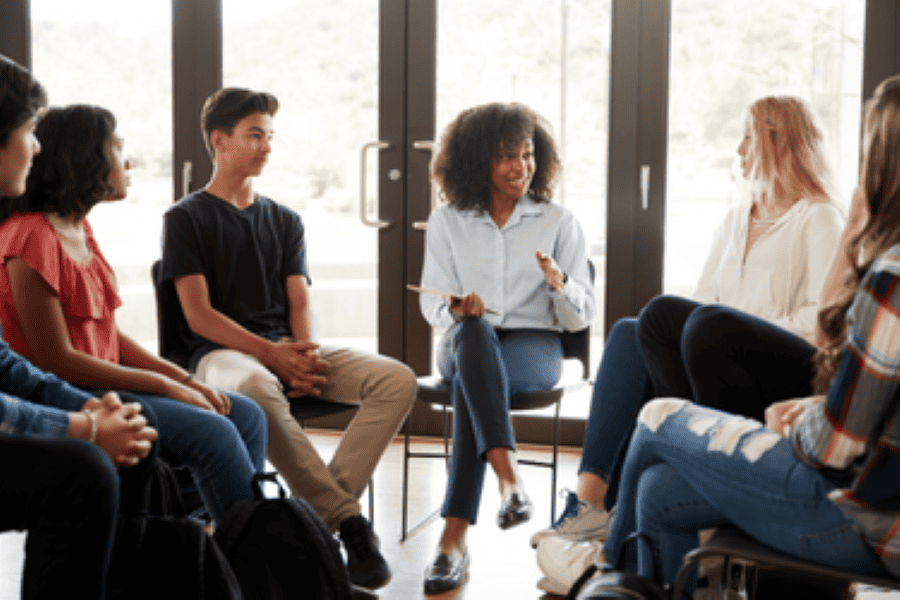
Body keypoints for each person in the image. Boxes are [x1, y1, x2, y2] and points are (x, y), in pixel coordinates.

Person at [598, 73, 900, 593]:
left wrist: (798, 421)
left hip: (870, 521)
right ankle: (623, 566)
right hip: (870, 486)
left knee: (657, 416)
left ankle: (603, 573)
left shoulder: (889, 277)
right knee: (657, 486)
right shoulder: (739, 219)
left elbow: (832, 446)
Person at [530, 95, 844, 563]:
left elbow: (821, 322)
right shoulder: (737, 219)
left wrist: (737, 329)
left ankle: (678, 456)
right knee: (629, 332)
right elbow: (700, 302)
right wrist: (713, 327)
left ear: (779, 144)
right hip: (711, 359)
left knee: (697, 323)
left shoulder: (818, 216)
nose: (738, 151)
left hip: (776, 372)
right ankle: (591, 503)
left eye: (747, 137)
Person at [159, 87, 417, 591]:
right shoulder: (185, 219)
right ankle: (348, 524)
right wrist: (273, 356)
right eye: (254, 135)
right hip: (221, 355)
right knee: (255, 389)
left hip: (283, 347)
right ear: (219, 140)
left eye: (270, 136)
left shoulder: (285, 220)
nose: (266, 146)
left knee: (396, 379)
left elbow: (300, 301)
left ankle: (312, 524)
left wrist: (307, 356)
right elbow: (199, 316)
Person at [0, 103, 268, 525]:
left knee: (246, 413)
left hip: (106, 382)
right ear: (84, 158)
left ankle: (215, 542)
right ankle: (251, 567)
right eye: (118, 146)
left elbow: (110, 336)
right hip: (72, 393)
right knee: (213, 432)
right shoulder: (30, 236)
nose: (130, 160)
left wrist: (183, 379)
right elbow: (57, 361)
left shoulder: (78, 227)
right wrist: (165, 384)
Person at [417, 102, 596, 593]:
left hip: (532, 345)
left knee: (476, 389)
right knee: (475, 339)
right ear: (477, 164)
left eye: (528, 154)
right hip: (464, 338)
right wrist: (457, 310)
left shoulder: (559, 222)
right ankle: (510, 478)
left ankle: (452, 542)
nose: (521, 166)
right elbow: (432, 305)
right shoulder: (448, 221)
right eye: (506, 157)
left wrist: (559, 284)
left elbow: (582, 316)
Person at [0, 54, 158, 599]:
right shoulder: (28, 235)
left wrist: (89, 407)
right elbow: (46, 360)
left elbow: (6, 366)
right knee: (84, 471)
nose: (37, 147)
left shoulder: (78, 232)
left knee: (136, 441)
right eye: (27, 131)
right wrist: (82, 428)